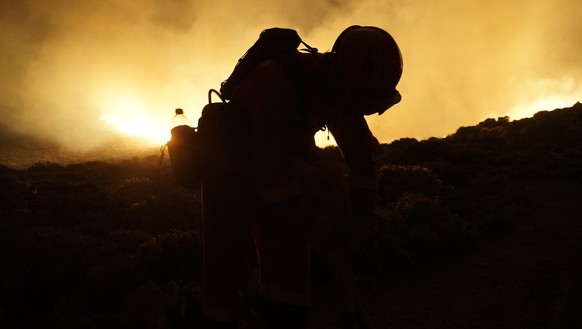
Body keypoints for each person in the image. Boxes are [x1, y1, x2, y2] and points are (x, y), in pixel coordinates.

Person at [200, 25, 403, 329]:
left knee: (289, 276)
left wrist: (362, 216)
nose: (358, 108)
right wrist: (315, 223)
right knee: (224, 272)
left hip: (283, 177)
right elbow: (271, 175)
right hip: (229, 179)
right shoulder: (276, 81)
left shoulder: (336, 87)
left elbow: (360, 155)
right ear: (353, 73)